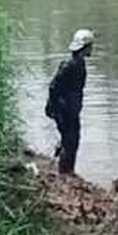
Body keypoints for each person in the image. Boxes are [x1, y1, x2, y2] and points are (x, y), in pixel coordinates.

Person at [45, 29, 94, 175]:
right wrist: (55, 106)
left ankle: (66, 169)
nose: (92, 49)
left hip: (70, 108)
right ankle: (65, 173)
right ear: (85, 47)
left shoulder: (78, 63)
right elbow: (53, 86)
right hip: (65, 109)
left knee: (71, 138)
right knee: (70, 140)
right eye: (91, 46)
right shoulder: (71, 65)